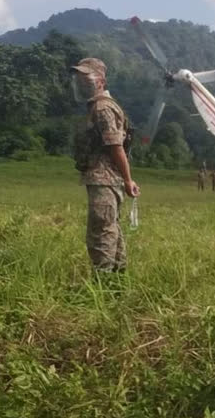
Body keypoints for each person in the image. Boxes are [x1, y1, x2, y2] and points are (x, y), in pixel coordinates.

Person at [71, 57, 139, 275]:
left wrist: (128, 180)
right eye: (79, 78)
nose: (82, 82)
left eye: (86, 77)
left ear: (100, 81)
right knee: (111, 228)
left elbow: (115, 146)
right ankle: (118, 280)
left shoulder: (102, 108)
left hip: (104, 178)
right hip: (107, 177)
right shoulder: (99, 106)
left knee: (101, 230)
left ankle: (103, 284)